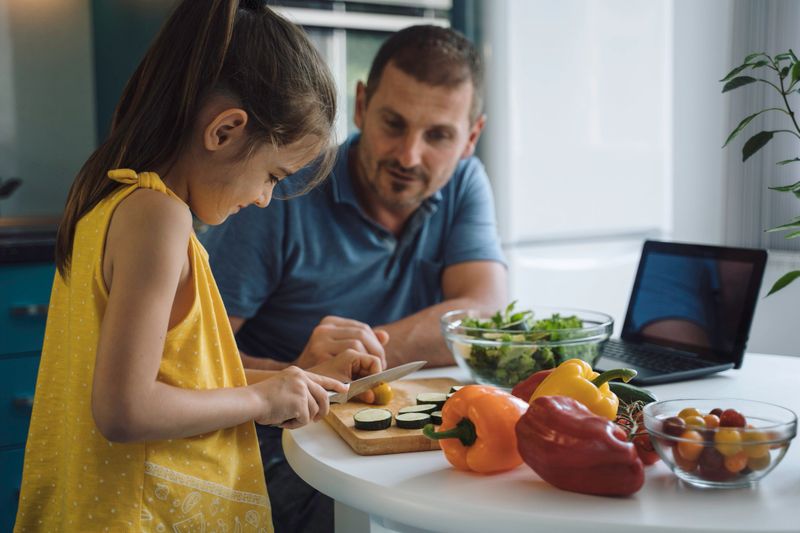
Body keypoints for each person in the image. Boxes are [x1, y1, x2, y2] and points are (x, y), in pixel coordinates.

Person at [13, 1, 383, 532]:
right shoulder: (157, 217)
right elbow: (125, 408)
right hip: (143, 517)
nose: (263, 198)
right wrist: (259, 398)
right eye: (273, 176)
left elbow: (178, 376)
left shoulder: (113, 197)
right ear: (225, 130)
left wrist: (290, 379)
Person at [202, 25, 507, 532]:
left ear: (471, 138)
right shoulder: (276, 188)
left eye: (438, 136)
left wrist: (356, 363)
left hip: (396, 441)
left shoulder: (465, 181)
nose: (409, 155)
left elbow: (484, 312)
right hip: (274, 451)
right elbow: (188, 359)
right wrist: (295, 371)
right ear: (361, 105)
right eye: (393, 123)